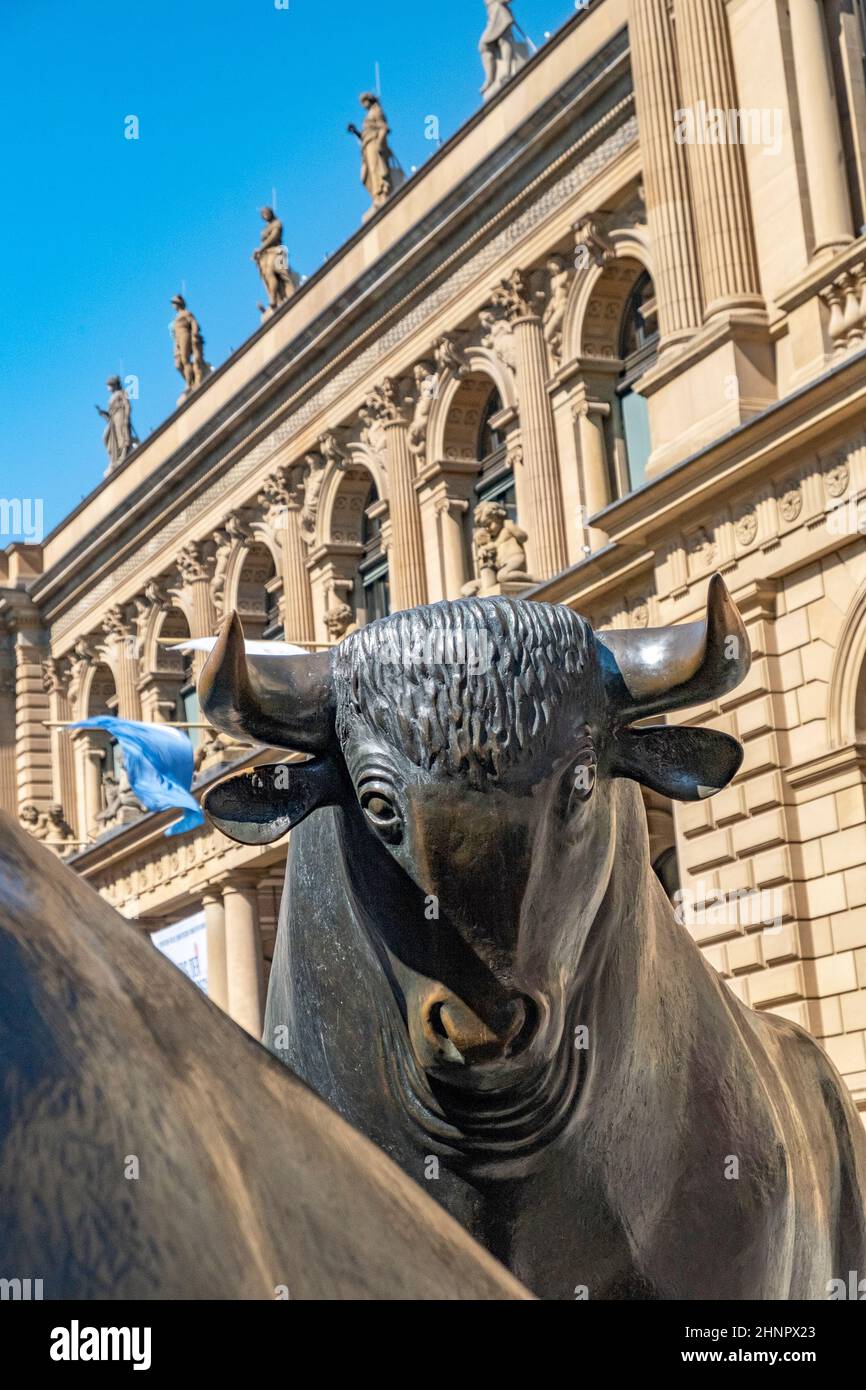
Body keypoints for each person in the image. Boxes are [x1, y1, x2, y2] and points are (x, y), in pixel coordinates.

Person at [96, 377, 137, 472]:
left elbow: (127, 405)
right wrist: (103, 413)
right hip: (113, 420)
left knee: (121, 438)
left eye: (109, 385)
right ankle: (114, 459)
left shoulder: (121, 393)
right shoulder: (111, 397)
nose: (108, 388)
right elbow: (110, 414)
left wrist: (126, 418)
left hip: (120, 417)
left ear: (114, 385)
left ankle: (122, 457)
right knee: (106, 437)